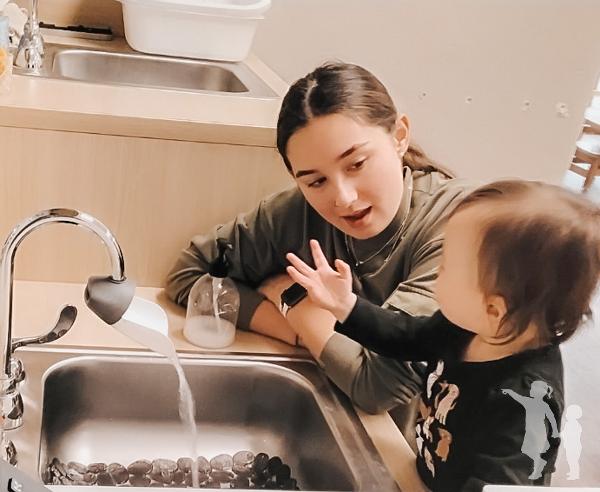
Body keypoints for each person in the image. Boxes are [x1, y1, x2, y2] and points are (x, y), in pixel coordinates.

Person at [166, 61, 471, 422]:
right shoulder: (296, 213)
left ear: (399, 135)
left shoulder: (460, 227)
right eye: (315, 181)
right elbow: (190, 274)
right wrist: (297, 331)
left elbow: (378, 388)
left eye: (357, 164)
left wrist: (295, 302)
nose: (343, 198)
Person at [284, 180, 600, 491]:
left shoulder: (528, 404)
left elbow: (509, 483)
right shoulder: (466, 326)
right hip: (428, 469)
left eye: (445, 266)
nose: (436, 274)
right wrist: (346, 306)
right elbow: (405, 337)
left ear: (494, 309)